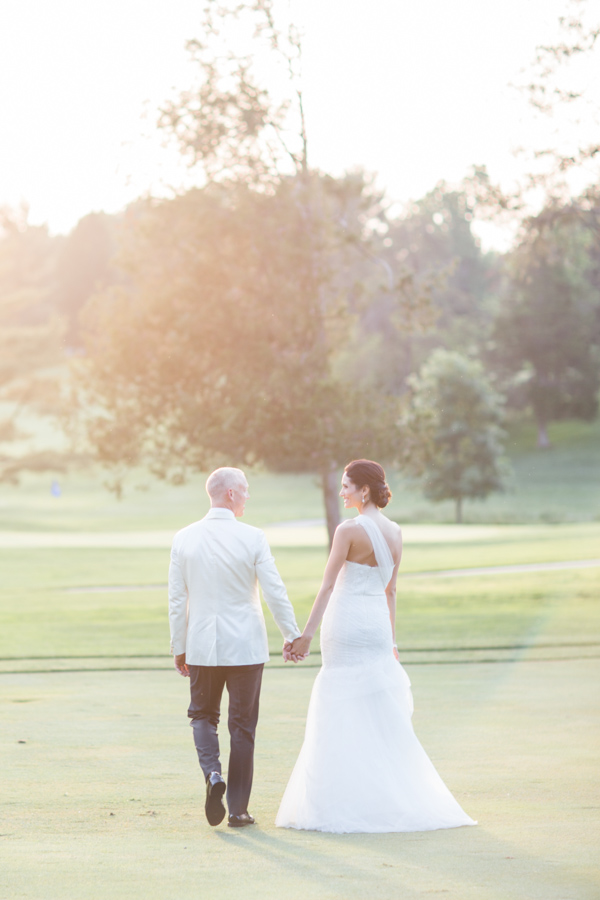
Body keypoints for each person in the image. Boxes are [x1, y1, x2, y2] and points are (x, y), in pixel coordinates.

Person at [276, 459, 476, 833]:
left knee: (339, 704)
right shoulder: (396, 532)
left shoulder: (348, 530)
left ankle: (341, 803)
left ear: (364, 490)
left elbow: (328, 586)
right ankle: (387, 796)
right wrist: (392, 640)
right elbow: (392, 590)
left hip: (347, 624)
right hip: (378, 629)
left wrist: (304, 635)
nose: (341, 492)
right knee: (377, 709)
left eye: (346, 486)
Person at [168, 467, 301, 828]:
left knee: (202, 716)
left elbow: (177, 601)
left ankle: (213, 775)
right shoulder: (253, 537)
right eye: (244, 490)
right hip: (245, 646)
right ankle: (239, 810)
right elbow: (274, 590)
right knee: (242, 726)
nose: (246, 496)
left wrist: (179, 647)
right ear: (229, 494)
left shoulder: (184, 538)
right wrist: (292, 634)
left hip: (201, 646)